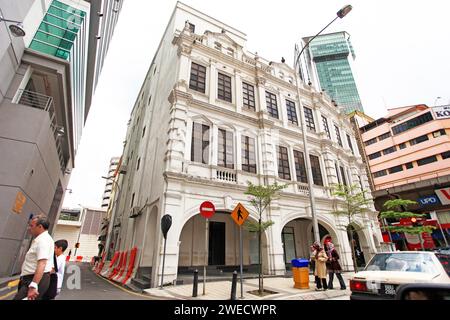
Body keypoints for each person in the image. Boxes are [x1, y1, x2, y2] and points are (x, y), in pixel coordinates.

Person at [13, 215, 54, 300]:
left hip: (34, 279)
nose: (29, 228)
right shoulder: (42, 239)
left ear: (40, 227)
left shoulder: (43, 241)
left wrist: (33, 285)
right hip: (32, 279)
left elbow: (42, 263)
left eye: (32, 226)